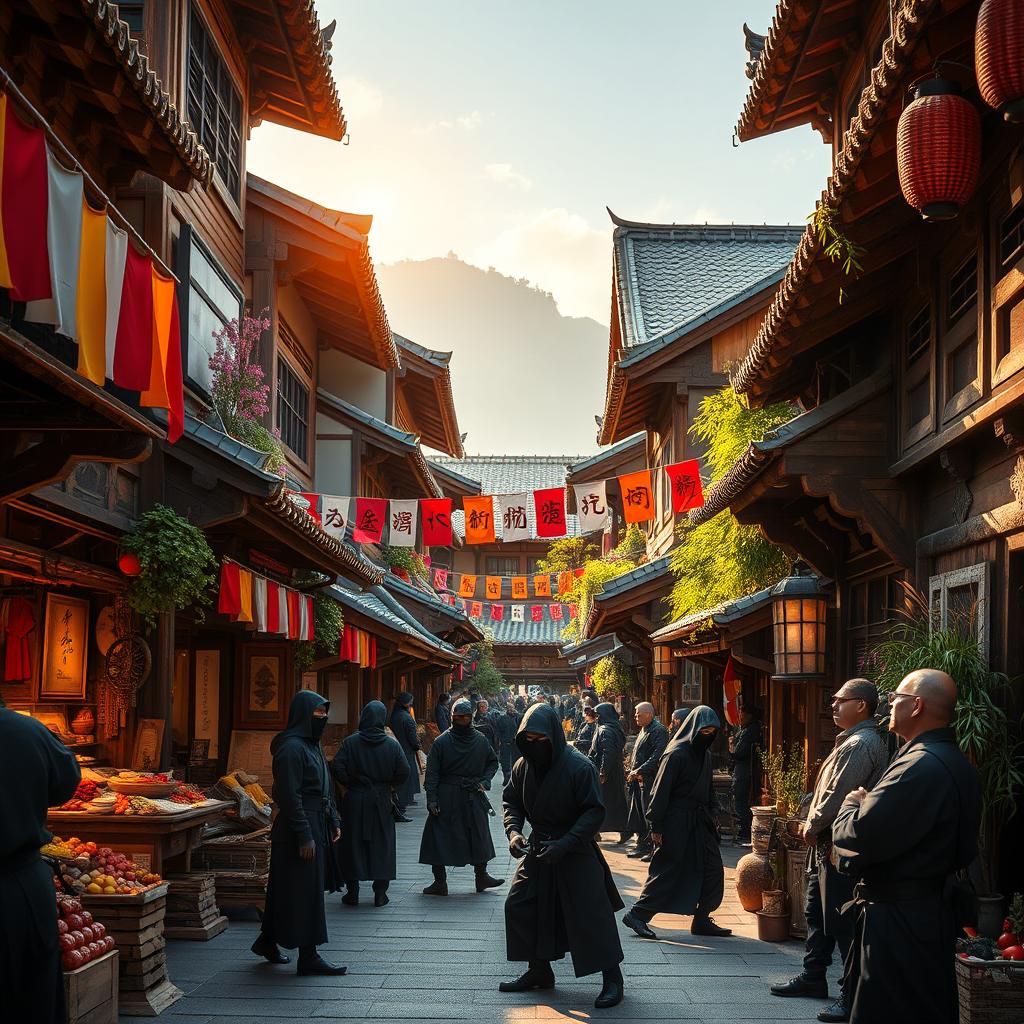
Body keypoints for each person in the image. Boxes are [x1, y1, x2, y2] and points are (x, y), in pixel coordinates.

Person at [832, 669, 980, 1024]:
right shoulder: (954, 762)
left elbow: (856, 835)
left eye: (895, 697)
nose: (889, 704)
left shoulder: (919, 766)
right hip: (928, 912)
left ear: (916, 706)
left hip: (900, 920)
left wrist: (853, 804)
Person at [770, 680, 889, 1022]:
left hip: (840, 844)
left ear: (862, 705)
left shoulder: (861, 743)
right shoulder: (852, 740)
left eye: (841, 701)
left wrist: (813, 824)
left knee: (841, 922)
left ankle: (852, 993)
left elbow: (840, 793)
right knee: (817, 914)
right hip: (828, 845)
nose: (833, 706)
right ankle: (813, 976)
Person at [501, 702, 625, 1009]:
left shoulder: (578, 766)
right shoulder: (523, 766)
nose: (533, 746)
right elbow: (511, 802)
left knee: (589, 913)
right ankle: (539, 968)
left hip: (576, 848)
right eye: (527, 739)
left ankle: (613, 978)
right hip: (540, 846)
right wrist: (514, 832)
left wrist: (567, 842)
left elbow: (594, 811)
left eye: (539, 739)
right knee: (520, 903)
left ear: (553, 736)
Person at [253, 690, 346, 975]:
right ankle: (309, 955)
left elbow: (324, 787)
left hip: (315, 821)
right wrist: (304, 834)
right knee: (306, 892)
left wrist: (332, 818)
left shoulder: (312, 746)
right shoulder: (291, 748)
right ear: (304, 714)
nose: (323, 717)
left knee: (287, 889)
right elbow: (289, 795)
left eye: (324, 713)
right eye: (318, 713)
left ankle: (268, 941)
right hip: (297, 827)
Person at [1, 703, 80, 1024]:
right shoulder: (27, 731)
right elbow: (65, 782)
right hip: (20, 883)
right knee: (33, 999)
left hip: (18, 874)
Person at [622, 705, 731, 940]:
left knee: (712, 869)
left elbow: (708, 786)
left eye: (713, 731)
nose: (708, 736)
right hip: (675, 820)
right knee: (668, 870)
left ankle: (702, 918)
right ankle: (638, 914)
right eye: (705, 731)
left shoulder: (706, 755)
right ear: (694, 728)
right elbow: (660, 792)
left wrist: (713, 811)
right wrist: (656, 826)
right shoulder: (676, 754)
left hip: (699, 821)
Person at [419, 698, 504, 895]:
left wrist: (484, 781)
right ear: (453, 718)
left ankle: (481, 877)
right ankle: (440, 882)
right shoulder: (443, 742)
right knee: (439, 837)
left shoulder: (478, 740)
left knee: (478, 834)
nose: (463, 720)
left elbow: (492, 762)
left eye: (466, 717)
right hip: (450, 794)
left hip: (471, 793)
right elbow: (432, 773)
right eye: (460, 717)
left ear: (471, 718)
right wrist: (432, 798)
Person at [332, 700, 410, 908]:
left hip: (355, 799)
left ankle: (353, 891)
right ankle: (380, 893)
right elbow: (404, 771)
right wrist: (390, 787)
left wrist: (350, 782)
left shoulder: (350, 743)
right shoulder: (392, 745)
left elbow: (337, 767)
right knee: (382, 843)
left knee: (352, 843)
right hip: (381, 800)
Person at [625, 702, 668, 861]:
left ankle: (653, 848)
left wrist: (639, 770)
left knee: (649, 813)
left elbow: (657, 756)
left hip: (649, 779)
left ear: (649, 714)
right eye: (635, 714)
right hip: (637, 779)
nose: (635, 717)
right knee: (638, 814)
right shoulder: (643, 729)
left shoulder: (659, 730)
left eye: (639, 714)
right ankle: (641, 844)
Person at [589, 702, 629, 843]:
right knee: (614, 802)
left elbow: (608, 752)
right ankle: (600, 831)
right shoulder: (614, 727)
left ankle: (596, 831)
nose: (597, 718)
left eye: (599, 715)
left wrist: (603, 772)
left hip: (607, 772)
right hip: (613, 770)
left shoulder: (606, 730)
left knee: (600, 803)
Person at [728, 706, 762, 845]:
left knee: (741, 801)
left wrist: (731, 746)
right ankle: (745, 830)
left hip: (744, 771)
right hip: (745, 770)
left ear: (749, 715)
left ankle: (745, 831)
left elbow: (739, 752)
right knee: (741, 800)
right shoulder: (748, 730)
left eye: (742, 713)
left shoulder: (749, 731)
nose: (740, 716)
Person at [389, 691, 421, 813]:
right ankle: (402, 803)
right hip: (407, 749)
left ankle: (404, 800)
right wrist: (417, 745)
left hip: (398, 747)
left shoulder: (394, 715)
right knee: (408, 775)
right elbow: (412, 736)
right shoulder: (406, 718)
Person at [495, 702, 520, 786]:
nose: (511, 709)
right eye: (509, 708)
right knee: (505, 761)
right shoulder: (502, 718)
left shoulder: (517, 717)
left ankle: (511, 777)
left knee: (513, 761)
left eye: (512, 708)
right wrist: (499, 743)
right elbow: (498, 732)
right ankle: (507, 776)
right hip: (506, 743)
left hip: (514, 743)